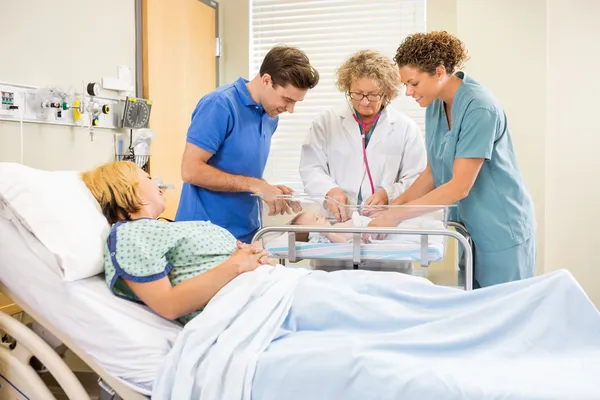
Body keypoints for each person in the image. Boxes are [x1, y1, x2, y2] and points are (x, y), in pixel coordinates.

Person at [367, 31, 536, 288]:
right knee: (475, 307)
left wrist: (397, 216)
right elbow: (433, 172)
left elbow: (459, 187)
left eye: (413, 83)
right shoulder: (435, 103)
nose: (409, 92)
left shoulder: (479, 107)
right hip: (472, 230)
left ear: (438, 72)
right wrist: (395, 205)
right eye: (405, 84)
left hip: (502, 230)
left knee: (505, 313)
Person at [176, 45, 319, 243]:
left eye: (296, 102)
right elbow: (190, 170)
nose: (291, 109)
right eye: (287, 99)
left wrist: (268, 188)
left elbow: (238, 171)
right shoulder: (220, 104)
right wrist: (256, 184)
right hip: (203, 235)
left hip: (244, 233)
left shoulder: (270, 116)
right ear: (267, 80)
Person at [299, 49, 426, 223]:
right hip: (335, 220)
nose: (365, 102)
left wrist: (388, 194)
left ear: (387, 92)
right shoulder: (326, 122)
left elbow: (417, 178)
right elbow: (311, 167)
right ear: (347, 88)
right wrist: (329, 190)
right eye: (358, 94)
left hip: (382, 221)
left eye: (373, 95)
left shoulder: (406, 128)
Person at [290, 209, 444, 244]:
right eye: (316, 219)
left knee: (406, 223)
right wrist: (329, 233)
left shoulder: (334, 226)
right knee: (405, 231)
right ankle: (430, 233)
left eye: (317, 214)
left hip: (374, 224)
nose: (320, 215)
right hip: (375, 233)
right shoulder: (329, 234)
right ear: (314, 234)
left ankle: (432, 227)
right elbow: (343, 242)